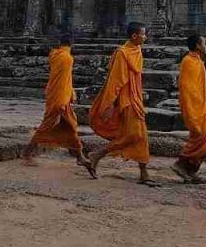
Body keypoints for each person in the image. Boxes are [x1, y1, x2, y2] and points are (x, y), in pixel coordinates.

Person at [87, 22, 154, 185]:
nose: (145, 37)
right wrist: (110, 103)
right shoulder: (122, 54)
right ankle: (97, 154)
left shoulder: (137, 51)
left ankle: (144, 173)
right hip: (126, 100)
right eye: (143, 34)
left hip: (135, 98)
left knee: (142, 136)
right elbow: (115, 81)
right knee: (135, 135)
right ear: (134, 36)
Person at [21, 33, 94, 177]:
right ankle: (27, 153)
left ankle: (80, 157)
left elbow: (64, 78)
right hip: (60, 99)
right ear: (71, 45)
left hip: (56, 95)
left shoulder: (54, 54)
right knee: (47, 126)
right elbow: (63, 81)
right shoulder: (67, 58)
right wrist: (65, 99)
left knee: (71, 126)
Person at [172, 33, 206, 184]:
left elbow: (200, 88)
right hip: (194, 110)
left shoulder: (198, 61)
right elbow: (187, 90)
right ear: (197, 46)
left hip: (200, 108)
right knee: (202, 141)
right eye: (204, 43)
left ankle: (190, 170)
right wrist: (191, 112)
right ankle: (180, 164)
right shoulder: (188, 62)